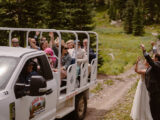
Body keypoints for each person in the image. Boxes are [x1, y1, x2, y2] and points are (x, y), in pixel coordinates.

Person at [140, 44, 160, 120]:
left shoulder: (157, 64)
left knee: (155, 112)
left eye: (153, 57)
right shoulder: (156, 64)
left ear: (156, 59)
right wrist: (154, 47)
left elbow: (150, 61)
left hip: (155, 92)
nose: (152, 58)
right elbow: (155, 54)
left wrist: (144, 50)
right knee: (155, 111)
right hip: (154, 91)